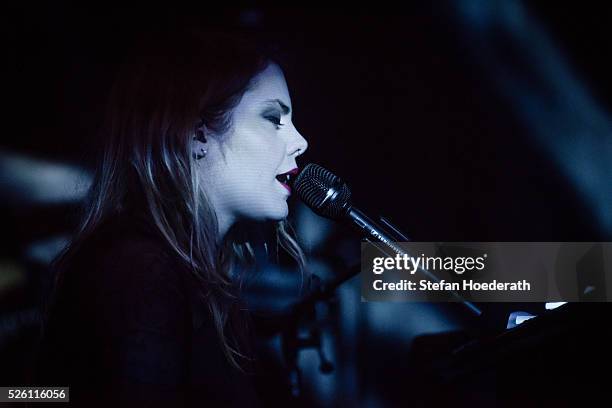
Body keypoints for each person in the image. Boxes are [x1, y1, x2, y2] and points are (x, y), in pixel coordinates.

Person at [34, 27, 309, 407]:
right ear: (197, 134)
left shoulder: (194, 277)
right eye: (273, 118)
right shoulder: (138, 269)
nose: (300, 141)